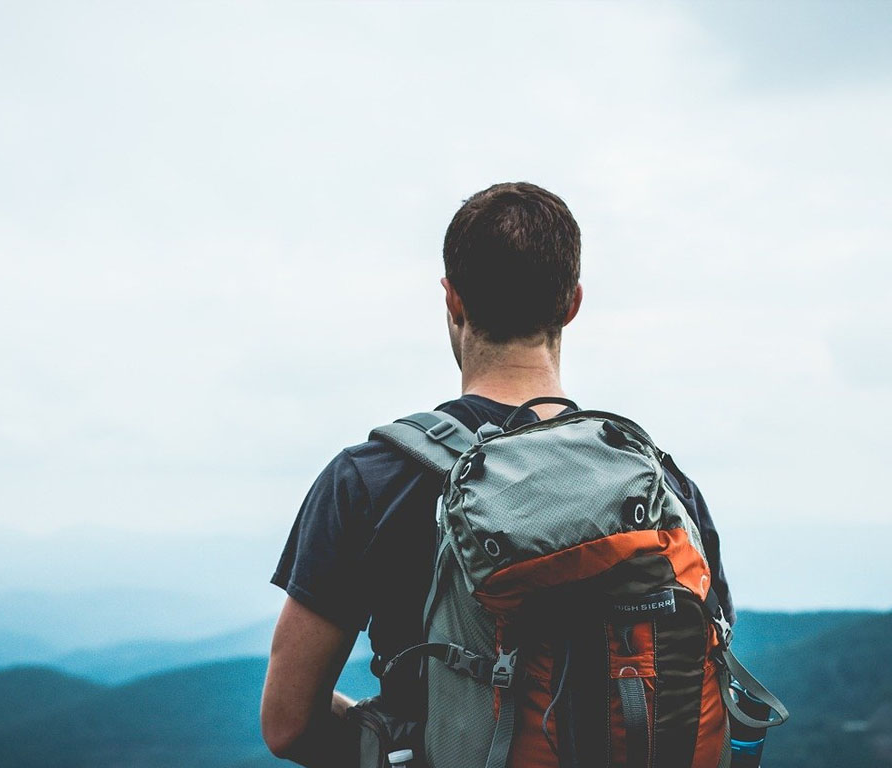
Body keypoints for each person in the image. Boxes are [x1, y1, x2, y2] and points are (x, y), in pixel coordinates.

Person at [260, 182, 733, 767]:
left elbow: (288, 725)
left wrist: (401, 744)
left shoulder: (368, 481)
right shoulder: (663, 485)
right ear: (572, 303)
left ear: (452, 299)